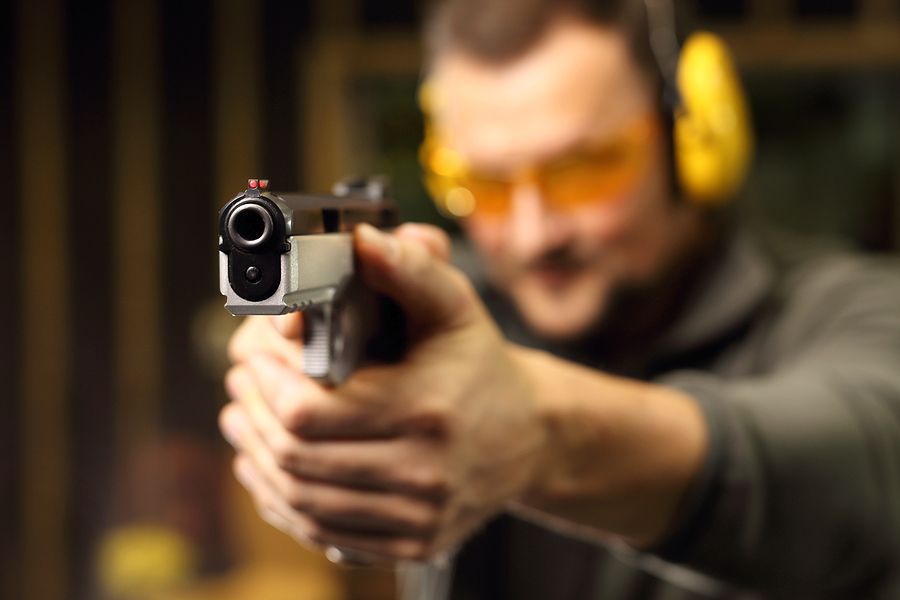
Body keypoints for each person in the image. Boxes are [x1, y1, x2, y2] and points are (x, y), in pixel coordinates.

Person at [219, 0, 900, 597]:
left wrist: (536, 434)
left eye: (582, 169)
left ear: (693, 139)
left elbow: (848, 475)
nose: (534, 234)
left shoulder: (852, 309)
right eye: (483, 182)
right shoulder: (448, 307)